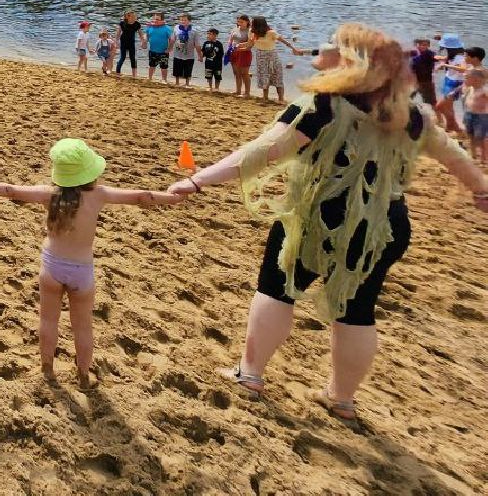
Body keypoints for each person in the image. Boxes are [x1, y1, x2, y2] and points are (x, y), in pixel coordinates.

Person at [167, 23, 488, 422]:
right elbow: (454, 155)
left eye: (335, 45)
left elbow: (266, 151)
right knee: (357, 310)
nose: (326, 48)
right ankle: (341, 400)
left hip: (320, 215)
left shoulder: (324, 105)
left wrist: (199, 179)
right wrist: (480, 191)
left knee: (278, 288)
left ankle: (249, 375)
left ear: (350, 60)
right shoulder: (412, 113)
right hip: (385, 225)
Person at [0, 139, 179, 387]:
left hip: (52, 267)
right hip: (82, 272)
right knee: (83, 327)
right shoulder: (99, 195)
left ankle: (47, 369)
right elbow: (142, 197)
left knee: (48, 320)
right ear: (90, 172)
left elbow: (9, 190)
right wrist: (172, 197)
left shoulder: (48, 194)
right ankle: (83, 375)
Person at [250, 16, 304, 103]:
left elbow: (284, 41)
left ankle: (281, 99)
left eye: (252, 23)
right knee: (264, 77)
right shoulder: (253, 33)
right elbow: (250, 44)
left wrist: (294, 49)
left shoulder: (271, 33)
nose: (251, 24)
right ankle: (265, 98)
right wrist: (238, 47)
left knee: (277, 77)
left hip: (272, 57)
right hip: (260, 57)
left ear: (258, 24)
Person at [447, 65, 488, 165]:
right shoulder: (469, 88)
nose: (464, 79)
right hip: (469, 114)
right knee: (470, 135)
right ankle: (473, 155)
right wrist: (453, 93)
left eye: (466, 78)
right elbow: (461, 92)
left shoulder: (484, 91)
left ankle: (483, 157)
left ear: (476, 80)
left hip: (481, 116)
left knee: (481, 137)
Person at [169, 13, 203, 88]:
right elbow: (172, 39)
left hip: (189, 54)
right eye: (181, 20)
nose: (182, 21)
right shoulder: (176, 28)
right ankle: (177, 82)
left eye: (184, 20)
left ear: (189, 21)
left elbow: (197, 44)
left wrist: (200, 55)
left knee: (188, 70)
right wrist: (169, 48)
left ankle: (187, 84)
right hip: (178, 53)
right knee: (177, 69)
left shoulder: (194, 31)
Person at [144, 12, 173, 85]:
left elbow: (171, 39)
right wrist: (144, 42)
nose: (155, 20)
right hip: (152, 50)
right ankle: (150, 78)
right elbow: (146, 35)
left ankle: (164, 79)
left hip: (164, 51)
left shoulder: (167, 28)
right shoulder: (150, 27)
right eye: (154, 18)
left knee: (164, 67)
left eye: (157, 18)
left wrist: (169, 48)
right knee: (151, 65)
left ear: (162, 19)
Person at [228, 15, 255, 97]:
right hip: (234, 52)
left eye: (241, 22)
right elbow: (230, 39)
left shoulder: (250, 31)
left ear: (247, 22)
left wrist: (240, 49)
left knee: (245, 74)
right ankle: (238, 91)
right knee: (237, 73)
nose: (239, 23)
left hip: (244, 53)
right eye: (238, 21)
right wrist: (229, 48)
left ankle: (247, 92)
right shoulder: (235, 29)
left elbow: (250, 45)